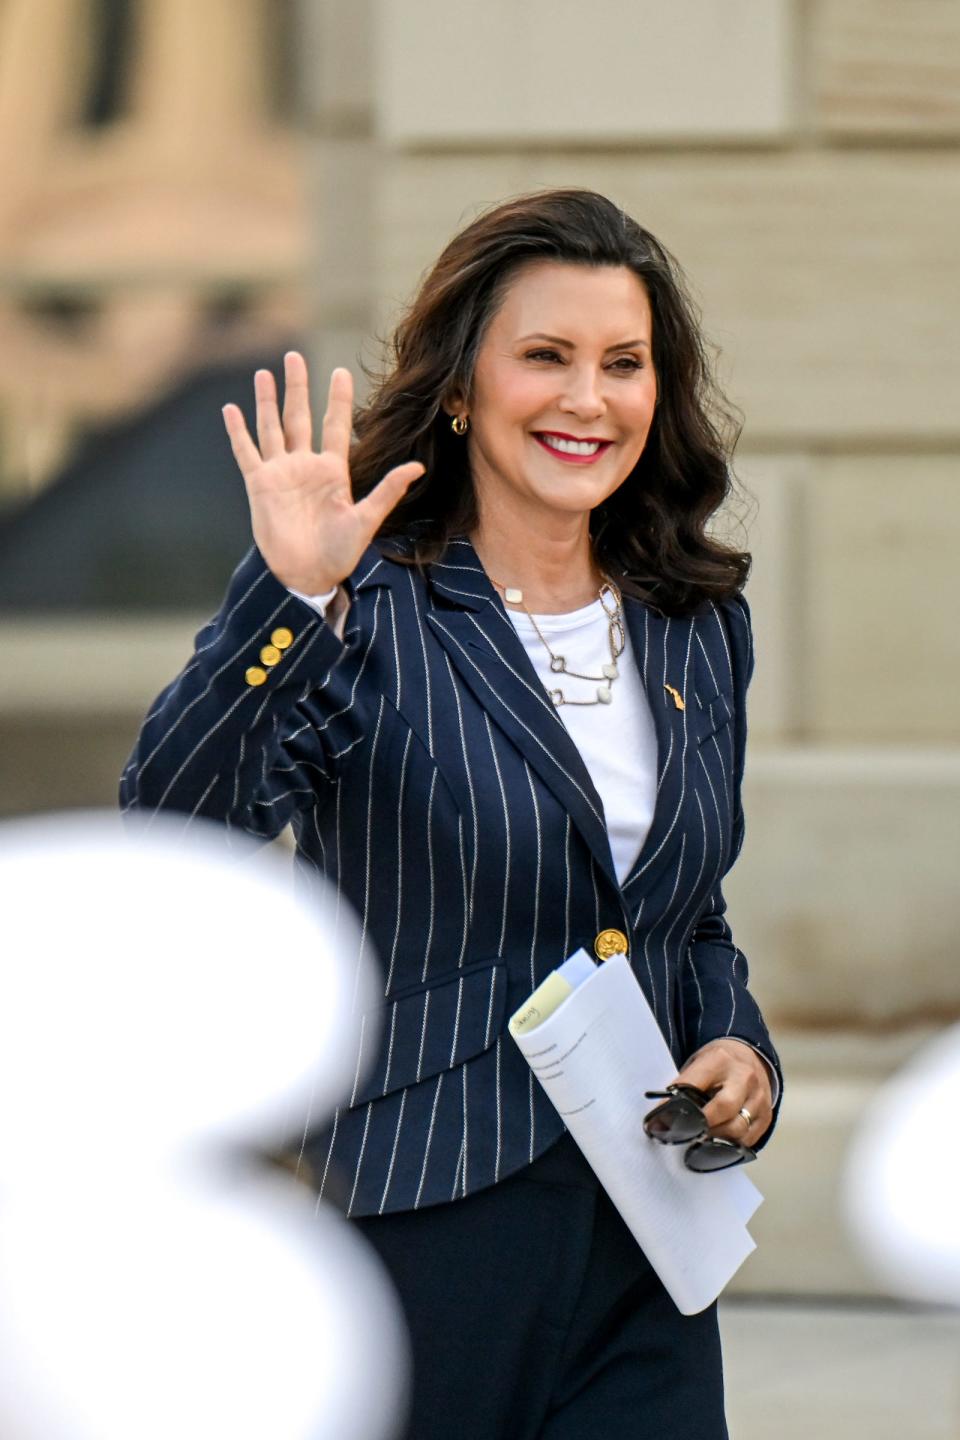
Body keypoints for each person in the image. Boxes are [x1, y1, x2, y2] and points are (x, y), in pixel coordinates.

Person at [121, 188, 782, 1439]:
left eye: (623, 364)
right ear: (466, 389)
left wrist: (742, 1051)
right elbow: (175, 821)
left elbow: (688, 913)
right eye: (547, 357)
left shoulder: (697, 625)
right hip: (429, 1207)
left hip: (646, 1229)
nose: (589, 399)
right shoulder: (369, 606)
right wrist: (289, 596)